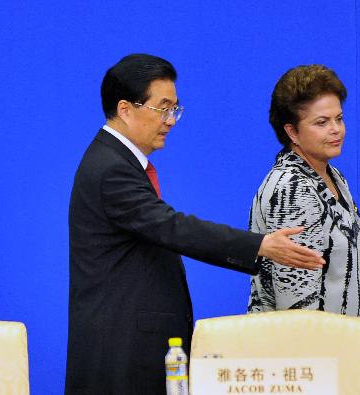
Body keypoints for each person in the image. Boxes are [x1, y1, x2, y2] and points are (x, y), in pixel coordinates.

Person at [65, 54, 324, 395]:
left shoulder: (115, 161)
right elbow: (171, 227)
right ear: (126, 109)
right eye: (163, 107)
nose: (171, 120)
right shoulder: (111, 169)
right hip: (120, 355)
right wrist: (259, 245)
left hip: (128, 348)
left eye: (175, 108)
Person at [247, 64, 360, 387]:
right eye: (321, 122)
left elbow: (358, 272)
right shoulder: (291, 189)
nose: (336, 129)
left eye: (339, 118)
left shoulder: (333, 178)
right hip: (304, 369)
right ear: (292, 132)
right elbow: (296, 308)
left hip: (342, 357)